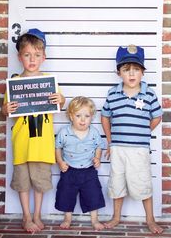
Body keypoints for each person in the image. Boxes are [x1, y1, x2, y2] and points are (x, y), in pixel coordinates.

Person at [2, 28, 65, 233]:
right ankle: (26, 217)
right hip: (22, 144)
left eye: (37, 55)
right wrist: (6, 109)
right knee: (23, 183)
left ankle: (37, 214)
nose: (32, 59)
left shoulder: (49, 82)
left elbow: (61, 102)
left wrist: (60, 99)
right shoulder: (14, 83)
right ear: (20, 57)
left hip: (42, 144)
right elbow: (5, 109)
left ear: (43, 57)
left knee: (39, 183)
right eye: (27, 55)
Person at [101, 45, 163, 234]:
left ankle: (150, 219)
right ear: (118, 72)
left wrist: (145, 130)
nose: (132, 74)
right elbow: (105, 117)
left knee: (143, 183)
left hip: (139, 149)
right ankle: (116, 216)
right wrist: (110, 141)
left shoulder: (149, 94)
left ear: (142, 72)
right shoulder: (113, 93)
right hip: (118, 148)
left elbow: (157, 116)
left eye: (136, 69)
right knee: (117, 182)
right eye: (126, 69)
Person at [55, 96, 106, 231]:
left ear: (91, 117)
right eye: (78, 116)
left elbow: (99, 146)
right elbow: (58, 148)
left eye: (87, 116)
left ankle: (95, 220)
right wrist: (60, 162)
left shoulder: (94, 133)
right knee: (66, 194)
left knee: (93, 194)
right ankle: (67, 218)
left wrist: (97, 158)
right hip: (69, 170)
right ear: (71, 116)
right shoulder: (64, 133)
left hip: (88, 171)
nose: (83, 120)